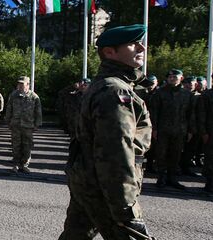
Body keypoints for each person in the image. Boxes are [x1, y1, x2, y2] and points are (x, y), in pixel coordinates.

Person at [58, 24, 153, 240]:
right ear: (110, 52)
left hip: (88, 177)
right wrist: (124, 205)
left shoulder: (107, 85)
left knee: (76, 235)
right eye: (133, 44)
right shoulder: (114, 90)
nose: (142, 48)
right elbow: (116, 150)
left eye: (141, 43)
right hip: (105, 184)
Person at [150, 69, 192, 190]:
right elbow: (154, 112)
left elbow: (190, 114)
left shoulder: (187, 94)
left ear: (181, 78)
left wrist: (190, 130)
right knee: (161, 154)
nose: (172, 78)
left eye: (175, 77)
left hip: (180, 130)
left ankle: (172, 178)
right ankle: (161, 178)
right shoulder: (160, 93)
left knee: (176, 154)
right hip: (163, 130)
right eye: (170, 77)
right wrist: (154, 129)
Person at [4, 76, 42, 174]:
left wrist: (37, 124)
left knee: (27, 146)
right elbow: (9, 109)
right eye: (19, 84)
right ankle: (16, 164)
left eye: (22, 84)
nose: (20, 86)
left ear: (28, 85)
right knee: (16, 145)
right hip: (16, 125)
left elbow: (38, 112)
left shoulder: (34, 97)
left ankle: (24, 165)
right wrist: (8, 121)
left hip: (28, 126)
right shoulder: (13, 95)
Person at [198, 68, 213, 192]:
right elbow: (202, 114)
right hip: (212, 133)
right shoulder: (207, 94)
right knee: (210, 159)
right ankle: (210, 183)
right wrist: (204, 132)